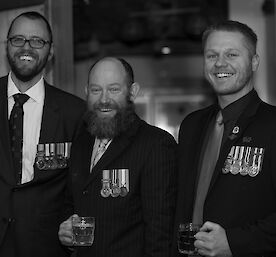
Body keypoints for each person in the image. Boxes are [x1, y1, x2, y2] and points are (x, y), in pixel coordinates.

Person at [0, 11, 86, 257]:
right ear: (7, 46)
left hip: (46, 244)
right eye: (18, 39)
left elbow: (77, 186)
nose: (27, 47)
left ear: (51, 50)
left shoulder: (74, 112)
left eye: (37, 41)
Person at [172, 20, 276, 257]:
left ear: (254, 62)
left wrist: (234, 243)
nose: (220, 63)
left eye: (231, 54)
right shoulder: (191, 125)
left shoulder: (272, 124)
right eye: (212, 55)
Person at [58, 57, 178, 257]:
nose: (104, 99)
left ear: (132, 92)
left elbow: (160, 233)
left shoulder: (156, 144)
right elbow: (71, 203)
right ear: (87, 92)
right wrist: (66, 231)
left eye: (114, 89)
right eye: (96, 90)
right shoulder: (81, 143)